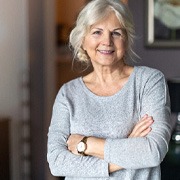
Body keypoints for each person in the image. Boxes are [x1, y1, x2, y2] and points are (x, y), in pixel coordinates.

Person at [47, 0, 172, 179]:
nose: (107, 41)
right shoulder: (68, 94)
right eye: (97, 32)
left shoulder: (149, 81)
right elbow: (57, 163)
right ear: (82, 40)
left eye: (116, 33)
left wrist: (85, 144)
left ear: (126, 39)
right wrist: (129, 150)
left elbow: (153, 151)